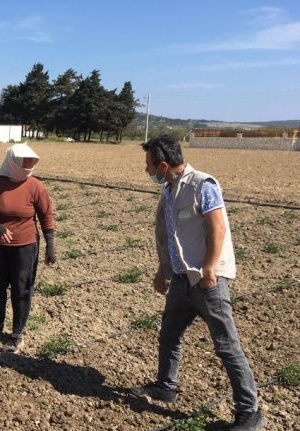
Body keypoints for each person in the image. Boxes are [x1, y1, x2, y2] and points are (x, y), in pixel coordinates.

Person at [133, 135, 264, 430]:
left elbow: (217, 228)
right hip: (181, 281)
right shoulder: (168, 192)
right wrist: (162, 270)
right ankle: (166, 387)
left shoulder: (203, 185)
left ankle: (249, 411)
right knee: (169, 335)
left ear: (163, 164)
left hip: (207, 282)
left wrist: (208, 269)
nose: (147, 171)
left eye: (148, 165)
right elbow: (173, 235)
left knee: (227, 346)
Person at [0, 143, 56, 354]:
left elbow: (46, 215)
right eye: (24, 161)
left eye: (31, 161)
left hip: (25, 248)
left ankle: (17, 334)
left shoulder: (35, 186)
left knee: (21, 290)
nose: (28, 165)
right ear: (12, 161)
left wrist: (50, 245)